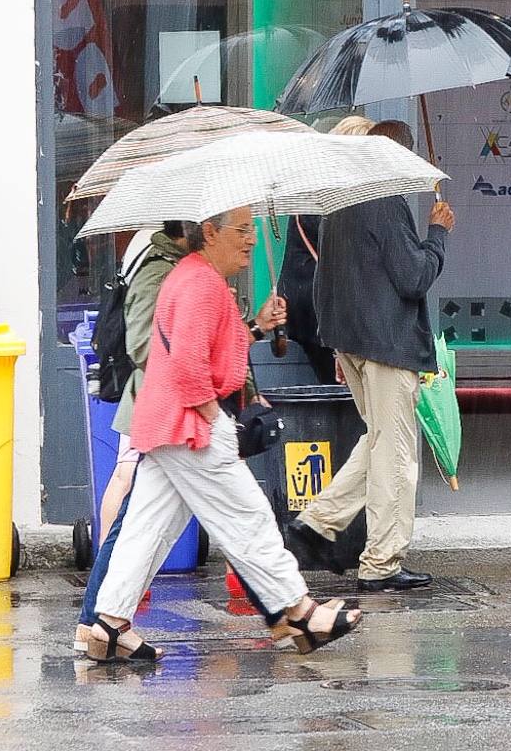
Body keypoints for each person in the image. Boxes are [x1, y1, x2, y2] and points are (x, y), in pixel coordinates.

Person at [87, 208, 361, 661]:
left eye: (253, 228)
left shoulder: (194, 277)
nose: (252, 240)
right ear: (209, 233)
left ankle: (108, 624)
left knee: (148, 527)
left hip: (166, 422)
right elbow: (192, 367)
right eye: (242, 230)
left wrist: (254, 327)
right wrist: (219, 420)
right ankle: (296, 611)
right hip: (191, 424)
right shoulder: (201, 284)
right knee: (248, 516)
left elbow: (204, 351)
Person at [286, 120, 454, 593]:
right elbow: (414, 276)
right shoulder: (386, 203)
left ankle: (318, 522)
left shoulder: (339, 201)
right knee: (397, 454)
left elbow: (326, 279)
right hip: (387, 344)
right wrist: (437, 235)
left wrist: (338, 343)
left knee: (379, 440)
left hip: (353, 342)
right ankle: (382, 561)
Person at [73, 221, 188, 656]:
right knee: (130, 510)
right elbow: (146, 344)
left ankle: (99, 620)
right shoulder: (159, 263)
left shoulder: (166, 257)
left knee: (133, 510)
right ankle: (97, 619)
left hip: (159, 405)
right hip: (158, 404)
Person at [277, 114, 373, 383]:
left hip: (310, 312)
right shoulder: (332, 197)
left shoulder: (316, 190)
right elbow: (344, 257)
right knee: (340, 397)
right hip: (321, 316)